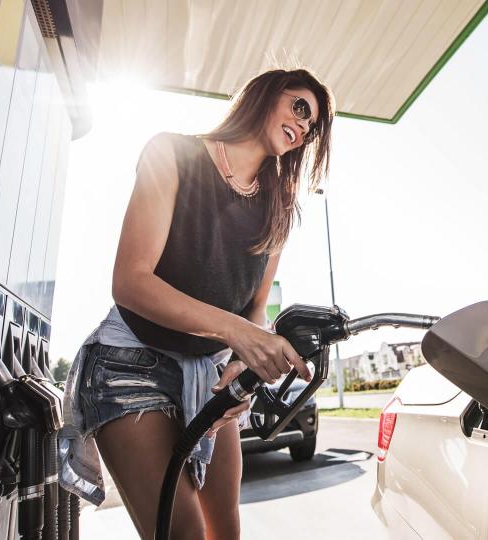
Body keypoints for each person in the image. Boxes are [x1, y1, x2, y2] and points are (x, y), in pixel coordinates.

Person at [59, 69, 334, 539]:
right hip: (130, 364)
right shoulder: (172, 153)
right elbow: (130, 281)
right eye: (300, 107)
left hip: (209, 377)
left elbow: (256, 308)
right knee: (183, 532)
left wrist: (238, 362)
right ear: (266, 92)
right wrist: (237, 334)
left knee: (225, 531)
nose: (304, 127)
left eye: (312, 128)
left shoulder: (279, 211)